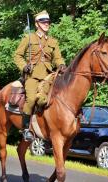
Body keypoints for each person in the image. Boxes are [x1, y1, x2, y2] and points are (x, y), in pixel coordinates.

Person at [13, 10, 66, 142]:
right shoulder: (29, 38)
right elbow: (17, 55)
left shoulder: (53, 41)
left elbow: (58, 58)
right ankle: (25, 129)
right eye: (43, 22)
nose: (46, 24)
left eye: (47, 22)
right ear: (37, 24)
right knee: (31, 99)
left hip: (48, 76)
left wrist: (61, 65)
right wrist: (24, 66)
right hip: (32, 75)